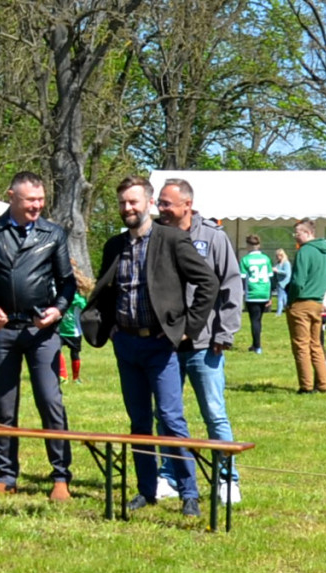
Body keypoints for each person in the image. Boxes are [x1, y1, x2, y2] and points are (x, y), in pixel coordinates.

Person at [81, 175, 219, 518]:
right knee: (138, 421)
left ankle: (189, 493)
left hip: (160, 346)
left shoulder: (172, 239)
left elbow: (208, 282)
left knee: (171, 419)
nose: (128, 208)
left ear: (150, 203)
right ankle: (146, 490)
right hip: (126, 345)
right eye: (123, 203)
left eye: (134, 202)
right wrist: (108, 327)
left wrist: (189, 328)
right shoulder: (115, 245)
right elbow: (107, 289)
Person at [0, 171, 75, 502]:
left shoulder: (53, 234)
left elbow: (66, 281)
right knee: (3, 406)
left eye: (41, 199)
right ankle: (6, 475)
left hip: (41, 330)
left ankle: (60, 476)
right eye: (30, 200)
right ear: (11, 196)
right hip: (1, 331)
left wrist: (58, 309)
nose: (37, 206)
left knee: (50, 400)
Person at [154, 178, 242, 505]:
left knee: (214, 413)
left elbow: (231, 287)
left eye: (166, 204)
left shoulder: (213, 237)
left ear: (186, 205)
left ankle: (227, 479)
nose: (160, 209)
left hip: (205, 345)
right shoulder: (156, 237)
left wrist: (224, 333)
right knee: (165, 414)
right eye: (159, 203)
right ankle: (171, 475)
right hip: (165, 345)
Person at [286, 219, 326, 394]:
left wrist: (291, 300)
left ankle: (305, 385)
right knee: (316, 344)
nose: (295, 237)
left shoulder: (305, 252)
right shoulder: (325, 252)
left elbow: (298, 281)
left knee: (301, 346)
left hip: (301, 302)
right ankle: (323, 384)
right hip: (317, 302)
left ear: (307, 233)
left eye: (297, 233)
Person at [57, 263, 91, 385]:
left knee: (75, 353)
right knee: (56, 350)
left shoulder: (78, 298)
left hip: (74, 331)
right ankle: (62, 375)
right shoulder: (59, 295)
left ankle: (76, 378)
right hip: (60, 330)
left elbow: (86, 309)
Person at [240, 235, 273, 353]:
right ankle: (256, 344)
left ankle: (257, 346)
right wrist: (270, 295)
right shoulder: (266, 258)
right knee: (259, 320)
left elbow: (243, 278)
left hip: (252, 292)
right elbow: (270, 277)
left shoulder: (245, 260)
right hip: (264, 292)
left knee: (254, 320)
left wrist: (242, 294)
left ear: (248, 245)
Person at [273, 249, 290, 316]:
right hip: (279, 282)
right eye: (277, 256)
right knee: (284, 298)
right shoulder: (278, 263)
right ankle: (287, 310)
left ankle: (279, 313)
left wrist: (277, 270)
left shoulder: (286, 263)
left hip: (284, 283)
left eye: (279, 256)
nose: (277, 257)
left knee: (280, 298)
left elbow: (286, 273)